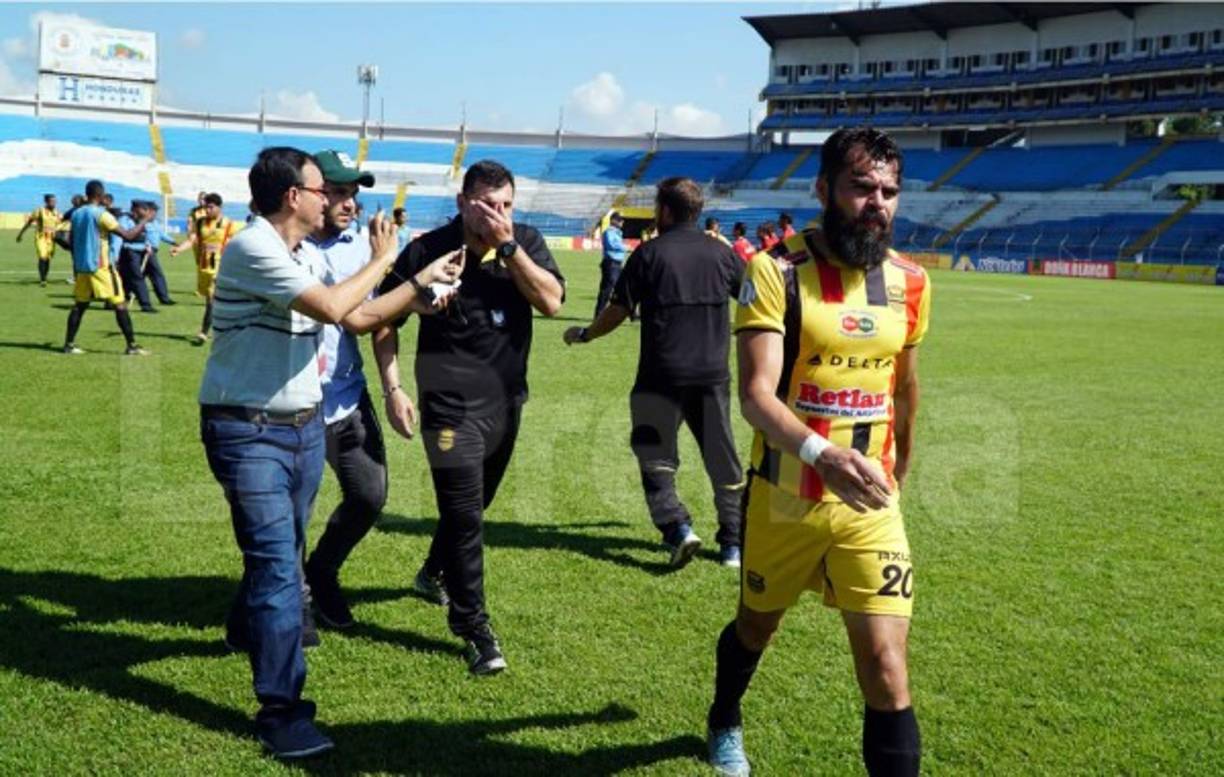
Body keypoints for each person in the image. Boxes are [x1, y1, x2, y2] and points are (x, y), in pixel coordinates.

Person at [199, 146, 460, 759]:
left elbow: (361, 316)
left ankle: (247, 629)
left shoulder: (302, 253)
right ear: (295, 196)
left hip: (300, 428)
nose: (333, 201)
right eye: (322, 191)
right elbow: (335, 307)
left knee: (279, 555)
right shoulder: (253, 247)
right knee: (279, 567)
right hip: (248, 431)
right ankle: (283, 712)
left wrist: (420, 286)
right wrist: (389, 258)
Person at [704, 127, 931, 777]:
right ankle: (724, 715)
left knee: (887, 666)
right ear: (824, 188)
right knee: (755, 628)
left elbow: (905, 390)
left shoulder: (912, 284)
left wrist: (897, 478)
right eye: (862, 187)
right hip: (783, 499)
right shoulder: (775, 272)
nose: (877, 203)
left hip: (870, 506)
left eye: (890, 191)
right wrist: (820, 454)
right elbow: (753, 394)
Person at [377, 159, 564, 676]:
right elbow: (383, 323)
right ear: (462, 203)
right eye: (487, 207)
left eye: (505, 205)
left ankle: (432, 572)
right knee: (465, 519)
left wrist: (509, 249)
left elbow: (551, 302)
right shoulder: (426, 250)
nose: (497, 215)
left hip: (508, 404)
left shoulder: (523, 241)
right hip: (448, 409)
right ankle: (475, 630)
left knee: (472, 510)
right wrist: (394, 389)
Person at [563, 177, 746, 568]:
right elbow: (756, 298)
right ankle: (733, 544)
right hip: (713, 373)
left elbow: (618, 310)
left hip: (661, 373)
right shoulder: (723, 255)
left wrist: (586, 334)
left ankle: (677, 527)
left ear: (663, 211)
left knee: (654, 452)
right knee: (721, 456)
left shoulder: (649, 254)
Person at [301, 151, 447, 629]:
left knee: (369, 496)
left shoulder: (360, 249)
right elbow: (353, 316)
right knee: (290, 511)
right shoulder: (287, 244)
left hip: (345, 395)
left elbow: (380, 322)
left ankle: (321, 571)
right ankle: (296, 599)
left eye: (354, 194)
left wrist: (394, 388)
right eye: (340, 193)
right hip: (293, 402)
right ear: (312, 194)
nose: (350, 204)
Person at [62, 180, 151, 356]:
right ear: (101, 196)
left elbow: (68, 239)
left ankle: (69, 344)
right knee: (120, 304)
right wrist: (144, 221)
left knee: (79, 306)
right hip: (101, 267)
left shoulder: (77, 213)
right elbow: (128, 236)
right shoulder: (101, 215)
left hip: (82, 268)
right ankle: (131, 346)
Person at [172, 192, 242, 344]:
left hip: (221, 267)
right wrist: (179, 248)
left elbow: (239, 244)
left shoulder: (230, 224)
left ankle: (203, 332)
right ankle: (227, 327)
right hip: (204, 267)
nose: (207, 211)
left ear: (219, 207)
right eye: (205, 207)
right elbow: (192, 240)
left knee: (212, 300)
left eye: (210, 207)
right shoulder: (200, 223)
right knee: (211, 300)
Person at [115, 200, 160, 313]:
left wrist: (148, 245)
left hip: (141, 252)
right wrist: (114, 257)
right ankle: (146, 304)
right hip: (128, 252)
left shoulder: (143, 221)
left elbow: (146, 236)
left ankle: (117, 301)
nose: (147, 212)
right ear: (136, 210)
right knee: (136, 277)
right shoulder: (124, 220)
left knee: (126, 279)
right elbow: (119, 239)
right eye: (144, 210)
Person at [15, 194, 64, 286]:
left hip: (52, 239)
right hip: (41, 237)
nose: (54, 203)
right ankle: (42, 279)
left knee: (48, 258)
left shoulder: (57, 213)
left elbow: (61, 224)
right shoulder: (39, 211)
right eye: (51, 201)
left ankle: (45, 276)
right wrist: (20, 234)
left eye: (55, 201)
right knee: (42, 256)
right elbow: (29, 222)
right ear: (46, 202)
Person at [139, 201, 178, 307]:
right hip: (146, 252)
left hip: (153, 252)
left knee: (138, 276)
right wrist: (146, 245)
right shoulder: (142, 223)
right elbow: (140, 236)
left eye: (155, 211)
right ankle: (164, 298)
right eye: (153, 211)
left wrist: (174, 242)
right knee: (157, 274)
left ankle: (127, 294)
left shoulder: (155, 223)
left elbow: (162, 235)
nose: (154, 214)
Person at [594, 211, 627, 318]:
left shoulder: (617, 233)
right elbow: (611, 245)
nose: (622, 222)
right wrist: (624, 247)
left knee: (623, 287)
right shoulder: (609, 232)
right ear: (613, 221)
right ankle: (599, 314)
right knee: (607, 289)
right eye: (619, 220)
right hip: (611, 263)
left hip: (617, 264)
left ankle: (629, 312)